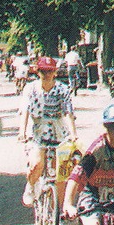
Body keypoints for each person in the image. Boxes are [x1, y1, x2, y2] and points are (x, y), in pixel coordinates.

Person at [19, 56, 77, 207]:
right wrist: (22, 131)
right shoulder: (30, 89)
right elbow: (25, 110)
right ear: (37, 72)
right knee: (37, 164)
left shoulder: (63, 89)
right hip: (38, 132)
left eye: (50, 71)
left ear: (55, 72)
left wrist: (73, 134)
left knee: (62, 173)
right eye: (43, 71)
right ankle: (30, 187)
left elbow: (68, 112)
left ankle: (59, 213)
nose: (47, 74)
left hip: (59, 133)